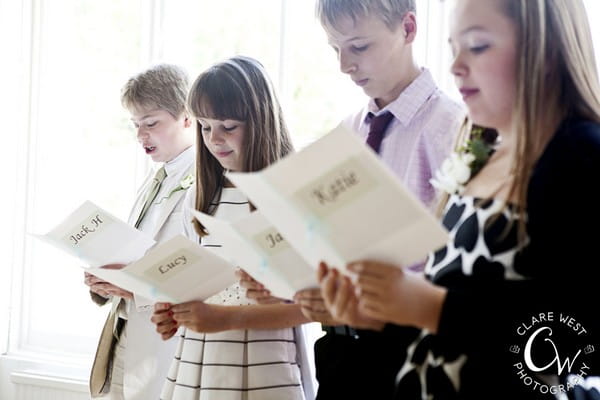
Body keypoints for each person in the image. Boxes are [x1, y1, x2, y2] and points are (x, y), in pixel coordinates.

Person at [319, 0, 600, 398]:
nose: (455, 67)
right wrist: (381, 313)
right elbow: (451, 311)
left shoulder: (579, 154)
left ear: (546, 50)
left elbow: (577, 350)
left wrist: (429, 307)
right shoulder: (478, 150)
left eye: (479, 46)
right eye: (454, 48)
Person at [280, 0, 463, 398]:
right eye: (335, 49)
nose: (344, 65)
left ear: (408, 29)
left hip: (409, 353)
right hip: (338, 349)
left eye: (359, 47)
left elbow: (461, 266)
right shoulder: (346, 133)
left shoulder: (453, 129)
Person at [150, 55, 315, 400]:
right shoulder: (199, 196)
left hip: (266, 367)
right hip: (196, 366)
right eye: (205, 127)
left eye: (228, 126)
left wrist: (226, 318)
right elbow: (192, 282)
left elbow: (314, 307)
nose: (215, 140)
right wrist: (174, 312)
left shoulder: (294, 193)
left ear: (260, 120)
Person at [84, 64, 195, 399]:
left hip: (164, 344)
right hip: (123, 336)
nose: (141, 135)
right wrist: (105, 276)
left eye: (151, 123)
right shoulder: (154, 179)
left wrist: (134, 288)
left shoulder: (205, 180)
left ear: (187, 118)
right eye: (135, 125)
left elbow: (199, 270)